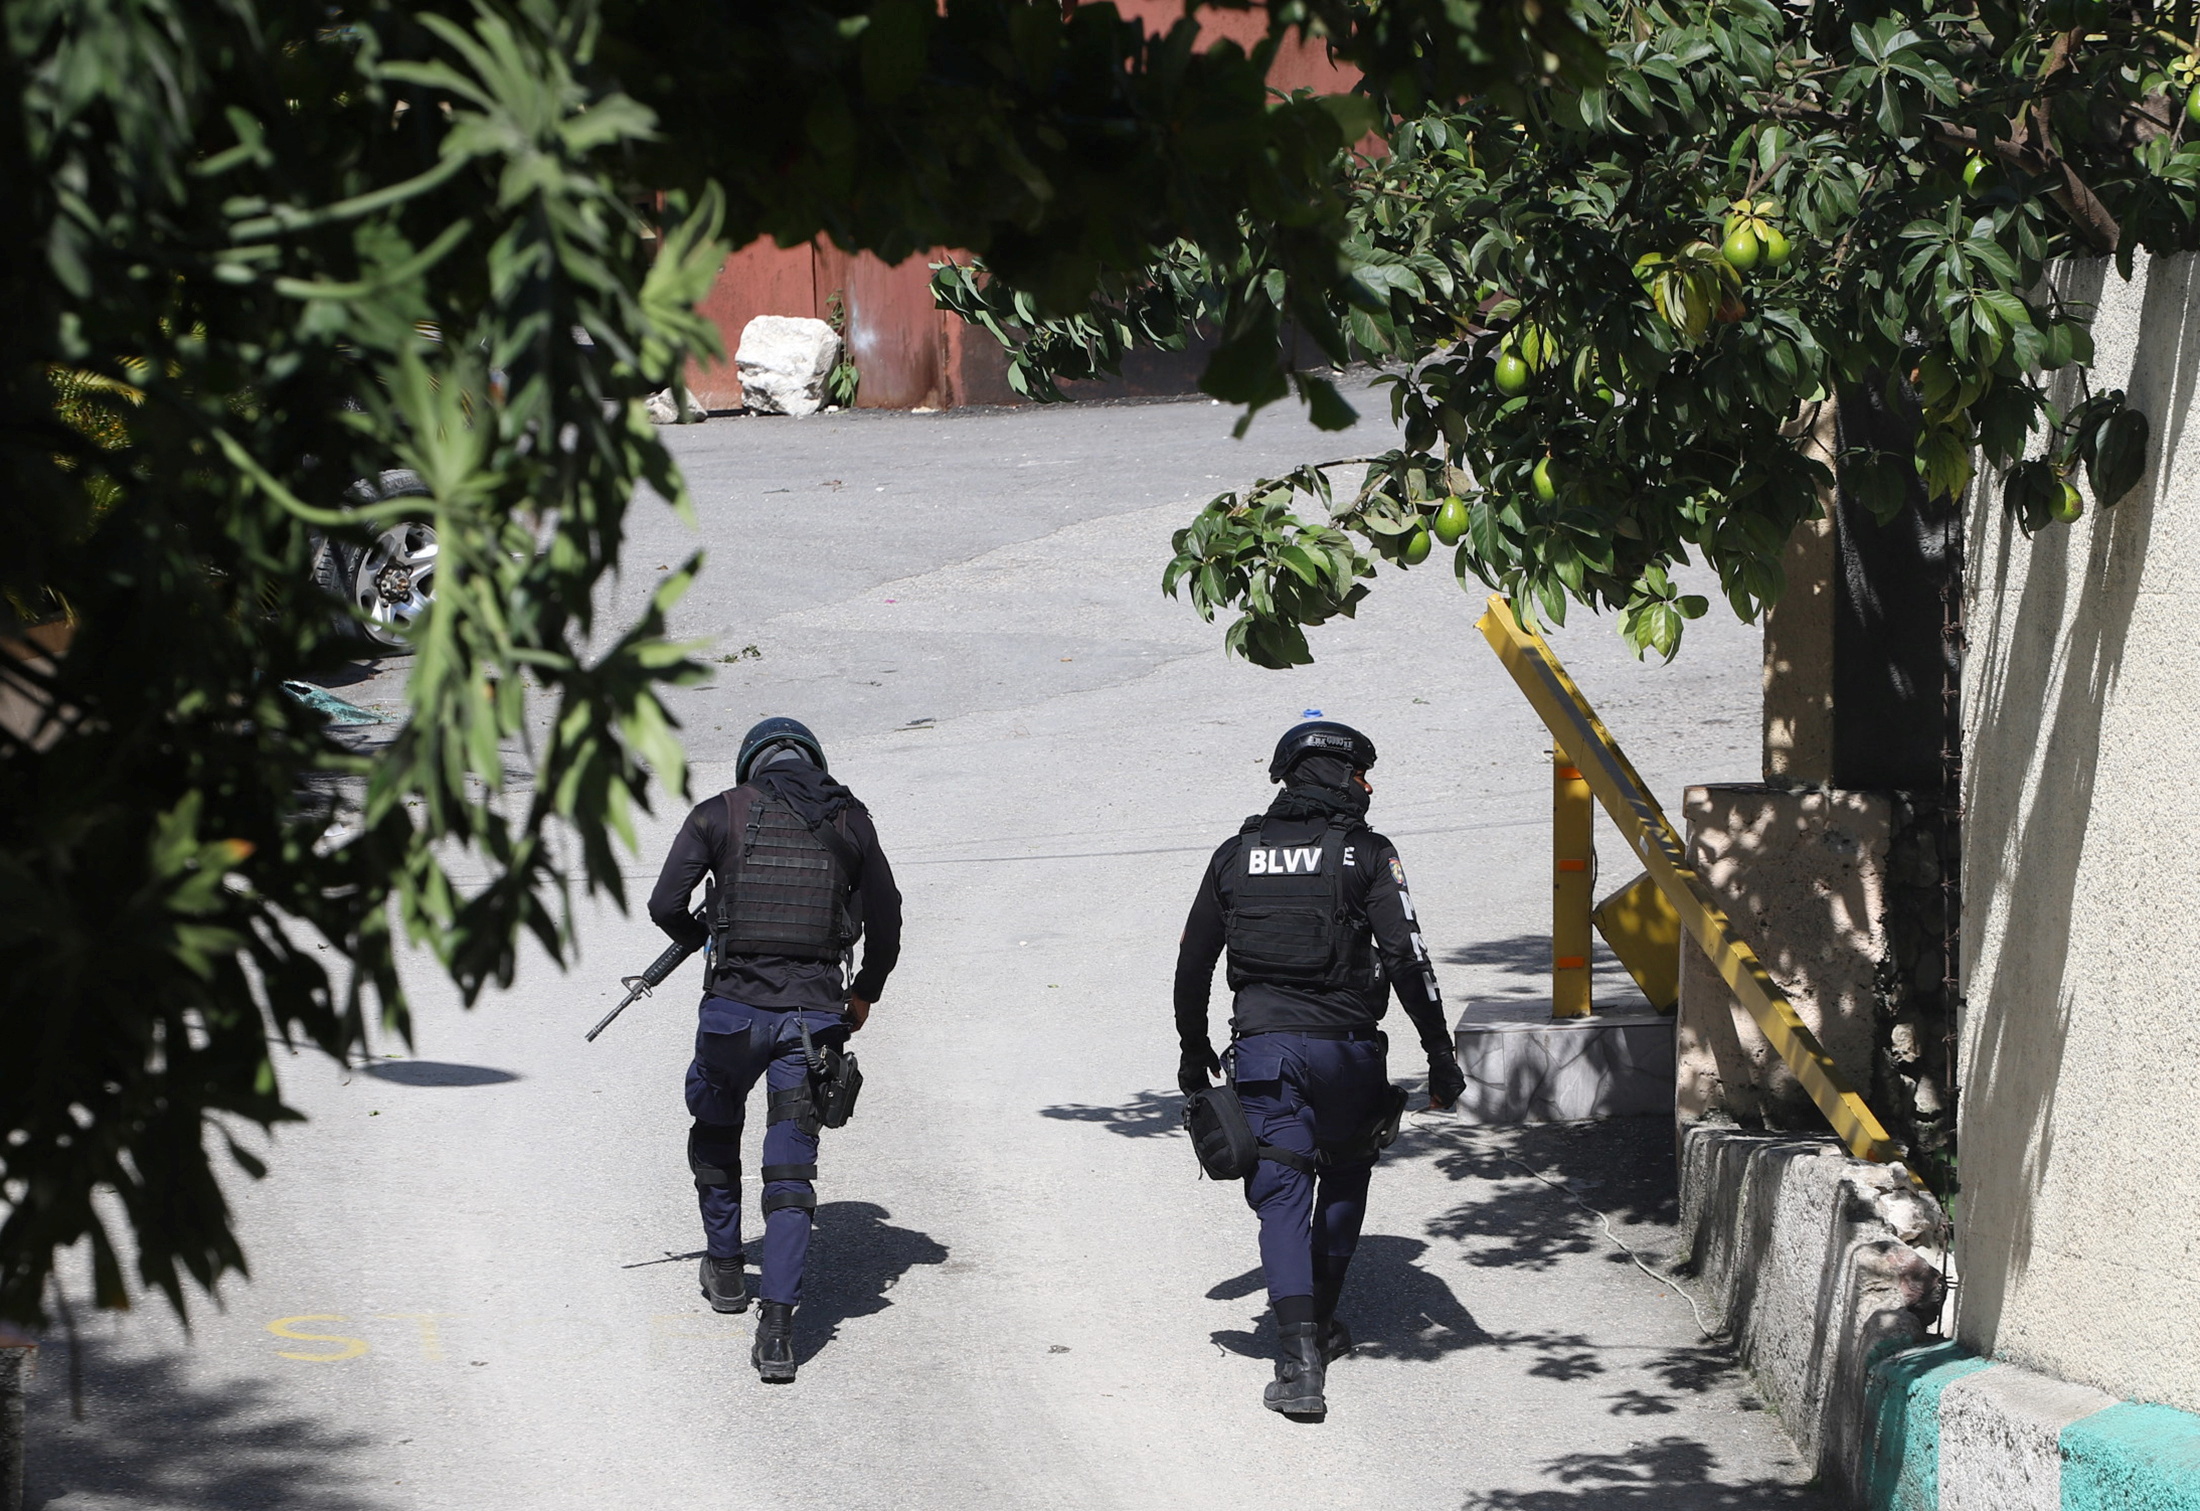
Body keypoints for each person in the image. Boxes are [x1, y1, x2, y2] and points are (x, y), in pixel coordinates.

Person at [1173, 720, 1466, 1418]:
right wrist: (1439, 1053)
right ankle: (1325, 1320)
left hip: (1266, 1052)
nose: (1367, 787)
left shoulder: (1234, 855)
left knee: (1280, 1193)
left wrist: (1193, 1047)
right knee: (1345, 1169)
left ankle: (1298, 1361)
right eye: (1361, 774)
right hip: (1349, 1051)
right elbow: (1406, 959)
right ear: (1338, 777)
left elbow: (1192, 963)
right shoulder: (1366, 853)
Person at [647, 716, 902, 1383]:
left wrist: (709, 932)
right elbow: (890, 917)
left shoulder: (718, 814)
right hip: (809, 1024)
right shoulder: (850, 820)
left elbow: (664, 903)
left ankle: (727, 1269)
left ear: (750, 766)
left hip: (731, 1015)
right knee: (789, 1171)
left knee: (715, 1120)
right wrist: (864, 992)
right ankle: (779, 1330)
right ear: (812, 761)